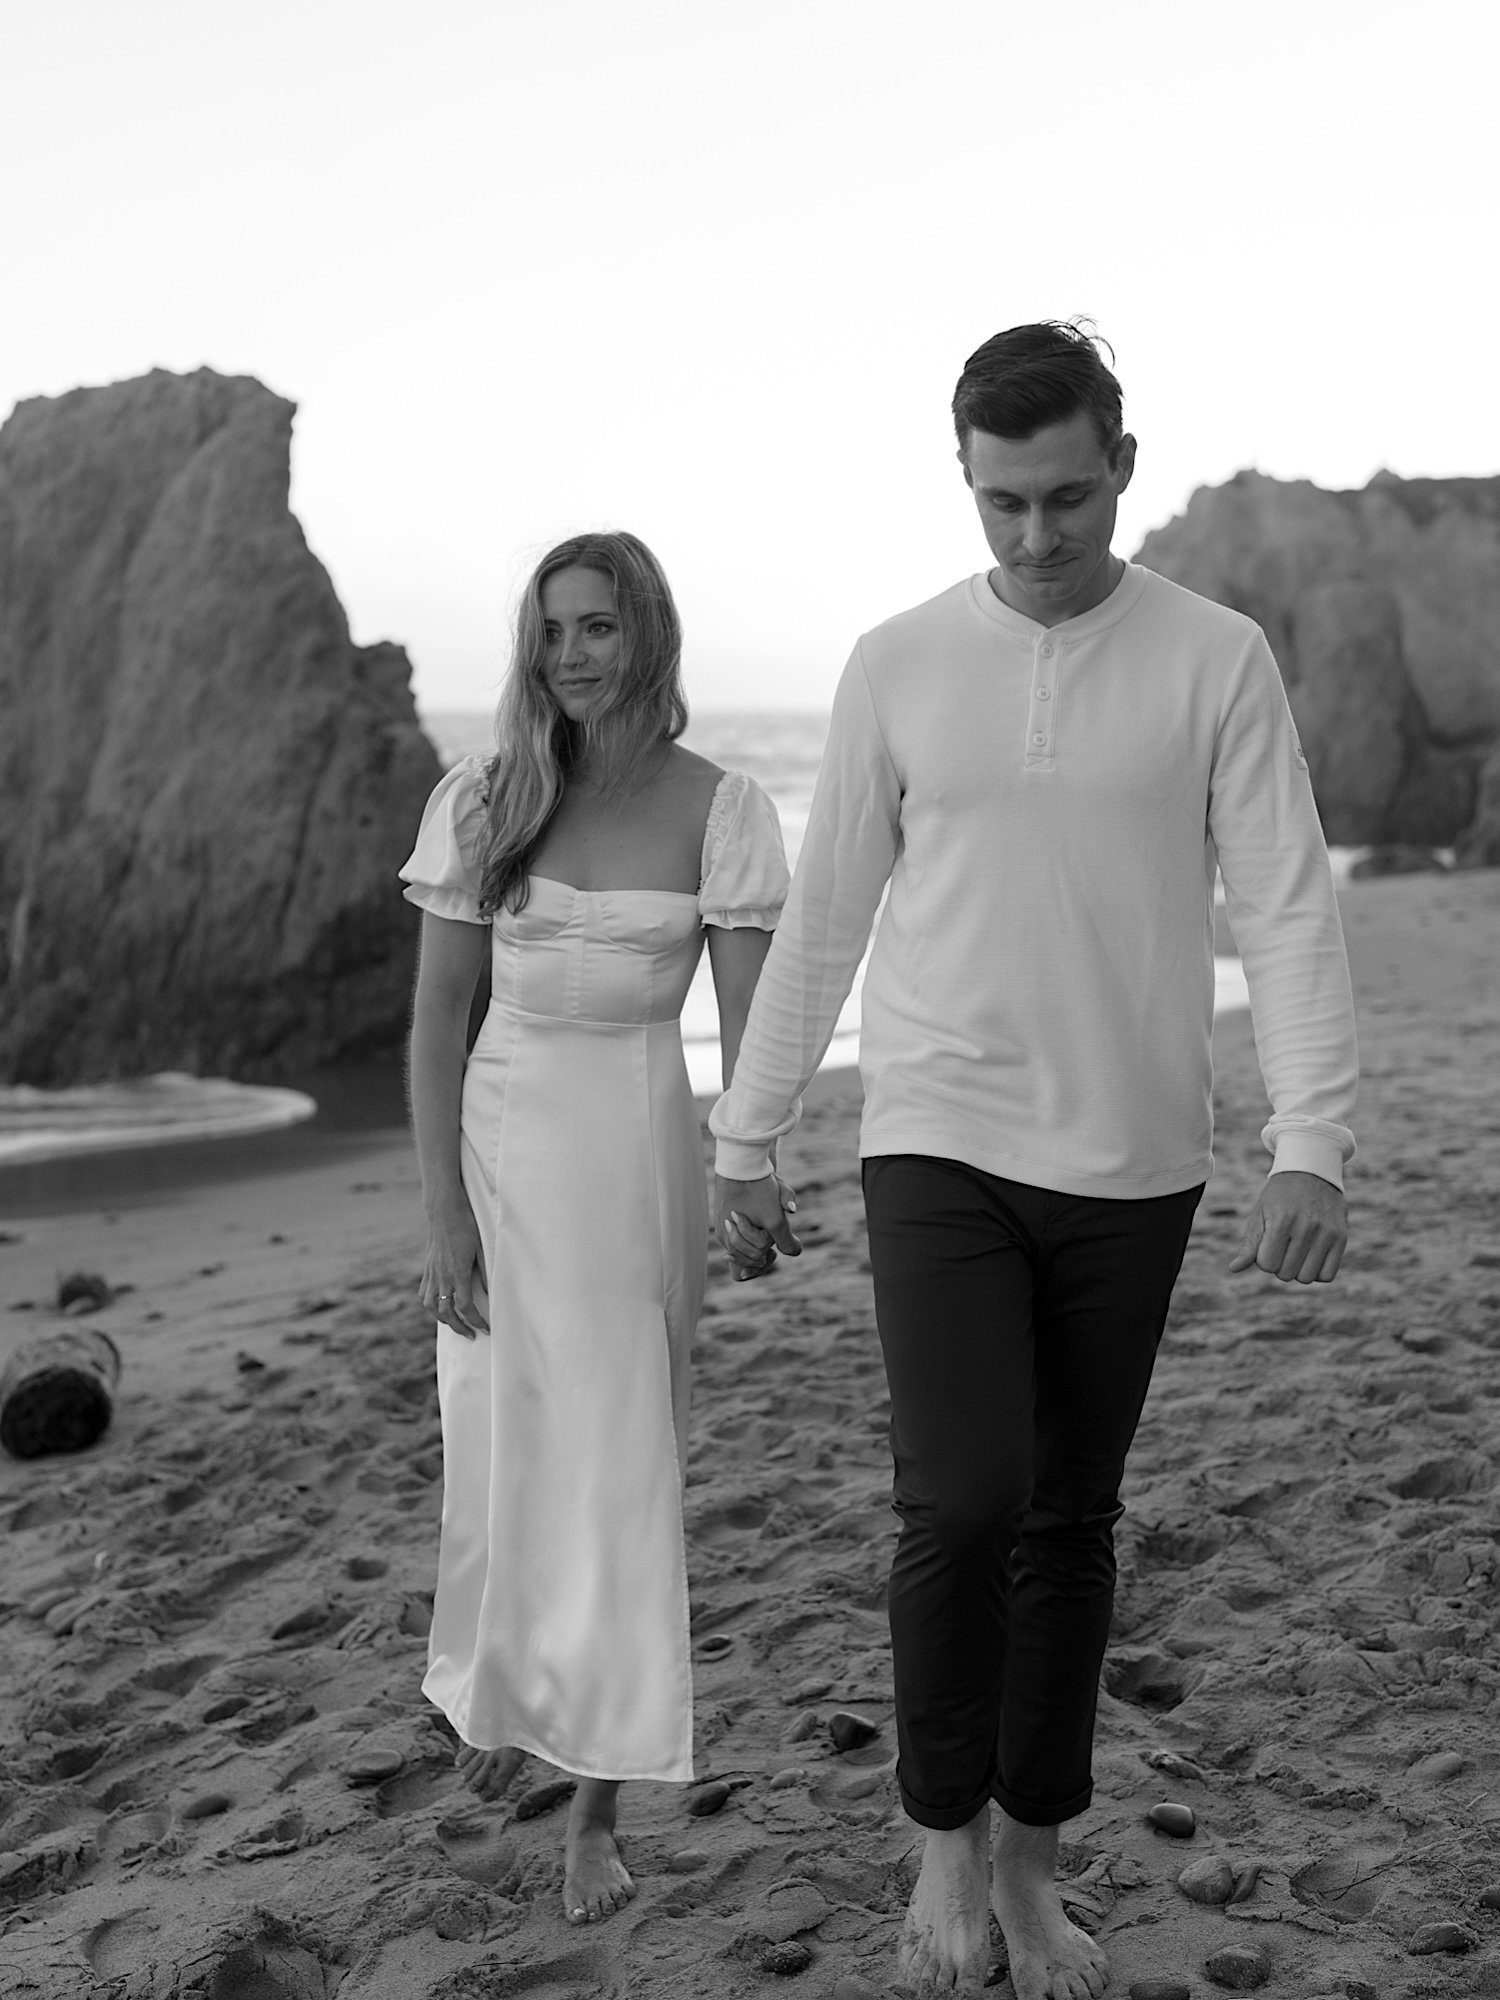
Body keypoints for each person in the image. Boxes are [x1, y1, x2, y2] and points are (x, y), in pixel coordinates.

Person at [711, 323, 1357, 1999]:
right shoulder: (897, 661)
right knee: (964, 1501)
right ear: (967, 484)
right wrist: (747, 1131)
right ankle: (940, 1839)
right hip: (936, 1134)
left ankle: (1032, 1865)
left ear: (1121, 469)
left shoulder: (1219, 656)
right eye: (1003, 503)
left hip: (1138, 1155)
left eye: (1067, 498)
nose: (1036, 537)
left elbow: (1286, 899)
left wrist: (1315, 1143)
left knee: (1072, 1516)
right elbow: (828, 914)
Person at [402, 530, 789, 1928]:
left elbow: (753, 1030)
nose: (571, 653)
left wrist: (752, 1171)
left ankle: (595, 1806)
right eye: (552, 629)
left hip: (633, 1159)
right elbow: (441, 1024)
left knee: (622, 1472)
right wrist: (442, 1209)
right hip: (500, 1157)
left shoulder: (722, 808)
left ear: (648, 636)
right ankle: (517, 1696)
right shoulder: (486, 796)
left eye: (597, 628)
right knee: (508, 1459)